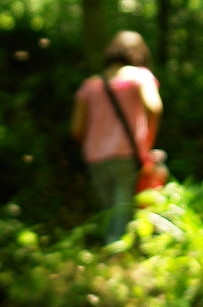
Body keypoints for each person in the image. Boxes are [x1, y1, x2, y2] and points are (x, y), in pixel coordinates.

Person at [70, 31, 164, 244]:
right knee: (123, 212)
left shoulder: (91, 84)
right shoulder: (140, 76)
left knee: (110, 211)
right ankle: (118, 260)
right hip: (126, 155)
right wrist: (146, 146)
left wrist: (95, 145)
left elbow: (76, 129)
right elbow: (155, 108)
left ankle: (112, 255)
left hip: (95, 157)